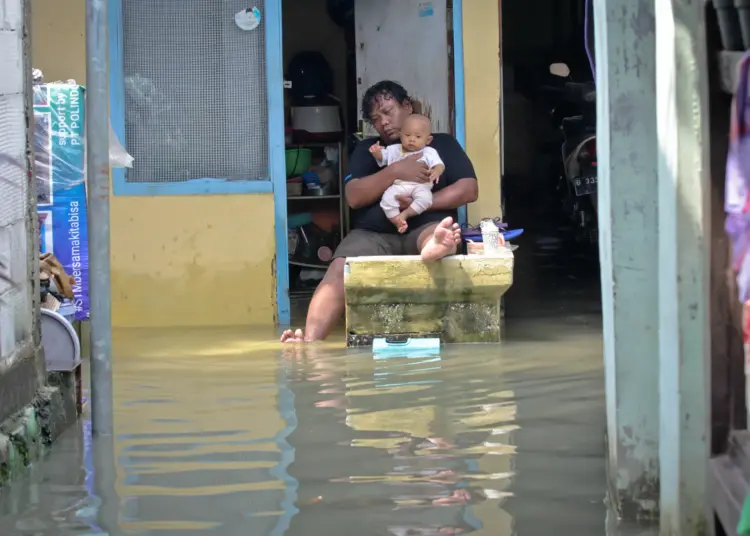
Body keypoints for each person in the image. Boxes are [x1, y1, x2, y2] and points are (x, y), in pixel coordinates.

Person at [280, 80, 478, 343]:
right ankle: (308, 342)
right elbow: (354, 196)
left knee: (435, 234)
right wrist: (396, 170)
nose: (383, 122)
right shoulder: (369, 150)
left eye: (388, 111)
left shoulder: (441, 144)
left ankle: (438, 244)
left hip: (423, 225)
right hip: (373, 234)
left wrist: (422, 203)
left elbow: (469, 189)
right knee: (340, 266)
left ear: (407, 106)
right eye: (376, 118)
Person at [370, 113, 445, 233]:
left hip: (420, 186)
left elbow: (439, 164)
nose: (411, 139)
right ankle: (397, 221)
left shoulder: (428, 152)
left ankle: (405, 214)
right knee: (387, 200)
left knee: (426, 199)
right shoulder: (394, 149)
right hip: (398, 186)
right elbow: (382, 158)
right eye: (407, 135)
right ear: (400, 135)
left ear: (428, 140)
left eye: (418, 136)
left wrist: (436, 171)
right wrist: (376, 152)